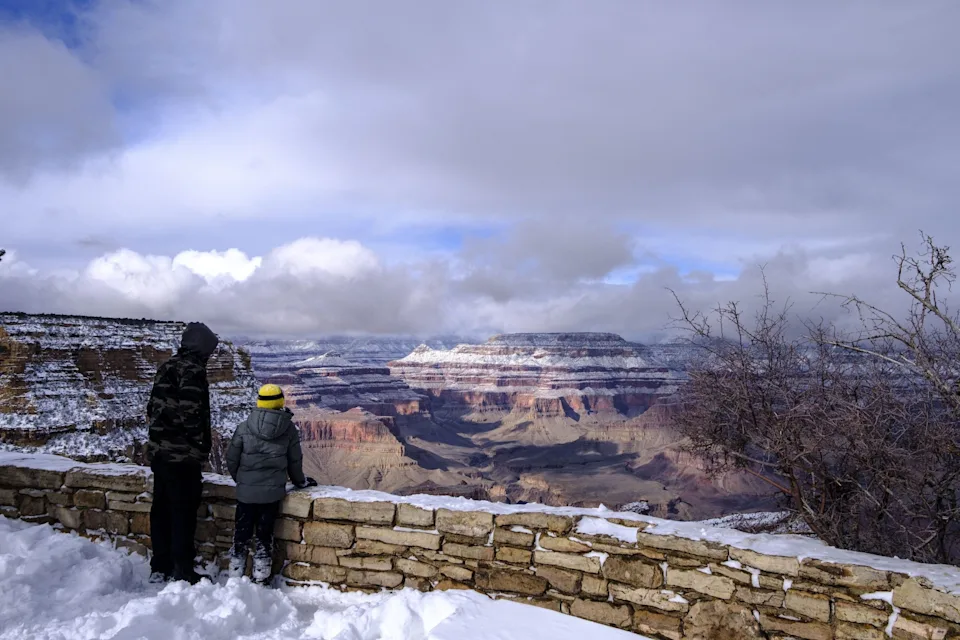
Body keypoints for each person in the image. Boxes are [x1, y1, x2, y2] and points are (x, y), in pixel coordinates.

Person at [145, 321, 219, 585]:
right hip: (182, 457)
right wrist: (199, 447)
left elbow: (151, 408)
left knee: (161, 509)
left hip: (159, 453)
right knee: (183, 512)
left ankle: (159, 566)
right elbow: (191, 413)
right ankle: (183, 569)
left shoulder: (166, 366)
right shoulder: (192, 370)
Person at [226, 384, 317, 584]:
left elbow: (231, 459)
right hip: (272, 494)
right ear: (280, 402)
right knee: (264, 534)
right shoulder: (288, 429)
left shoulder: (244, 426)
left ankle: (235, 574)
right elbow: (295, 463)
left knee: (241, 532)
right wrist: (301, 482)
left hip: (245, 492)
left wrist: (242, 481)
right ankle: (261, 575)